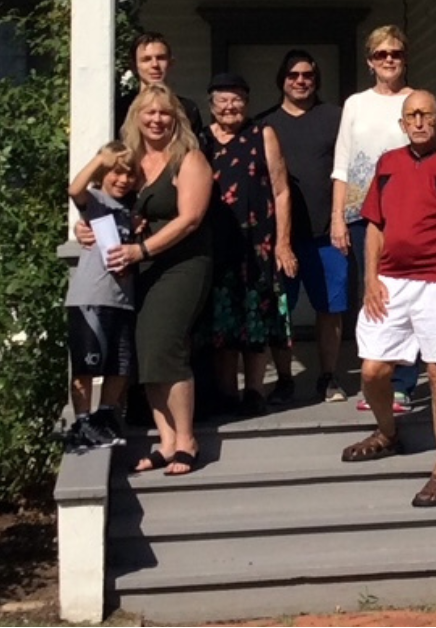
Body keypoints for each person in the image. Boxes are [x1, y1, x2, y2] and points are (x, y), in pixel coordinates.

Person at [337, 90, 436, 509]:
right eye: (411, 116)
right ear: (402, 124)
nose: (419, 121)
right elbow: (375, 226)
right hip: (391, 282)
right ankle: (387, 433)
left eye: (427, 114)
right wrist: (370, 279)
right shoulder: (389, 163)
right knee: (372, 371)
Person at [105, 83, 213, 476]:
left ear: (176, 118)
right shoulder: (129, 161)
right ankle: (165, 443)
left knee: (167, 345)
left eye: (164, 113)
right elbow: (102, 203)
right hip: (141, 265)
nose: (156, 119)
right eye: (148, 112)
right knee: (146, 350)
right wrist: (89, 230)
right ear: (136, 117)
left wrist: (142, 249)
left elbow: (190, 218)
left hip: (182, 264)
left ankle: (186, 439)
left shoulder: (189, 158)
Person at [331, 25, 418, 413]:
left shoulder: (415, 101)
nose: (389, 60)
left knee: (403, 295)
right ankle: (377, 382)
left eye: (395, 54)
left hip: (406, 213)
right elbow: (342, 163)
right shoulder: (355, 104)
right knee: (373, 298)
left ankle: (402, 383)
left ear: (404, 58)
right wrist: (337, 218)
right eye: (381, 54)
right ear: (370, 61)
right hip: (358, 214)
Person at [257, 49, 350, 402]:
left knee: (331, 308)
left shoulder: (335, 118)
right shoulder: (264, 125)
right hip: (282, 238)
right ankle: (284, 379)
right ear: (282, 79)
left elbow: (350, 170)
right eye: (293, 75)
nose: (300, 81)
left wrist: (342, 217)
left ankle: (328, 376)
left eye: (307, 75)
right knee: (281, 310)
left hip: (327, 233)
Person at [202, 72, 294, 418]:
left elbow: (282, 190)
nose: (230, 106)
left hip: (259, 243)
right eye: (222, 100)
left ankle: (255, 391)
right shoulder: (202, 141)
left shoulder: (263, 134)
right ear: (211, 105)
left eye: (237, 99)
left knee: (258, 314)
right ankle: (227, 393)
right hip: (217, 243)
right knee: (224, 320)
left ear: (247, 102)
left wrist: (284, 243)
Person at [63, 140, 138, 452]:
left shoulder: (132, 211)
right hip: (91, 297)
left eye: (129, 175)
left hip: (123, 299)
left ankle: (105, 416)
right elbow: (75, 189)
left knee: (119, 365)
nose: (122, 180)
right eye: (115, 173)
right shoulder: (95, 201)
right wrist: (99, 160)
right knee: (86, 365)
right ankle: (82, 422)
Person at [115, 32, 206, 142]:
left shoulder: (187, 109)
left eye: (161, 58)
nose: (155, 65)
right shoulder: (120, 109)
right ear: (133, 66)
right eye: (146, 59)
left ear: (170, 63)